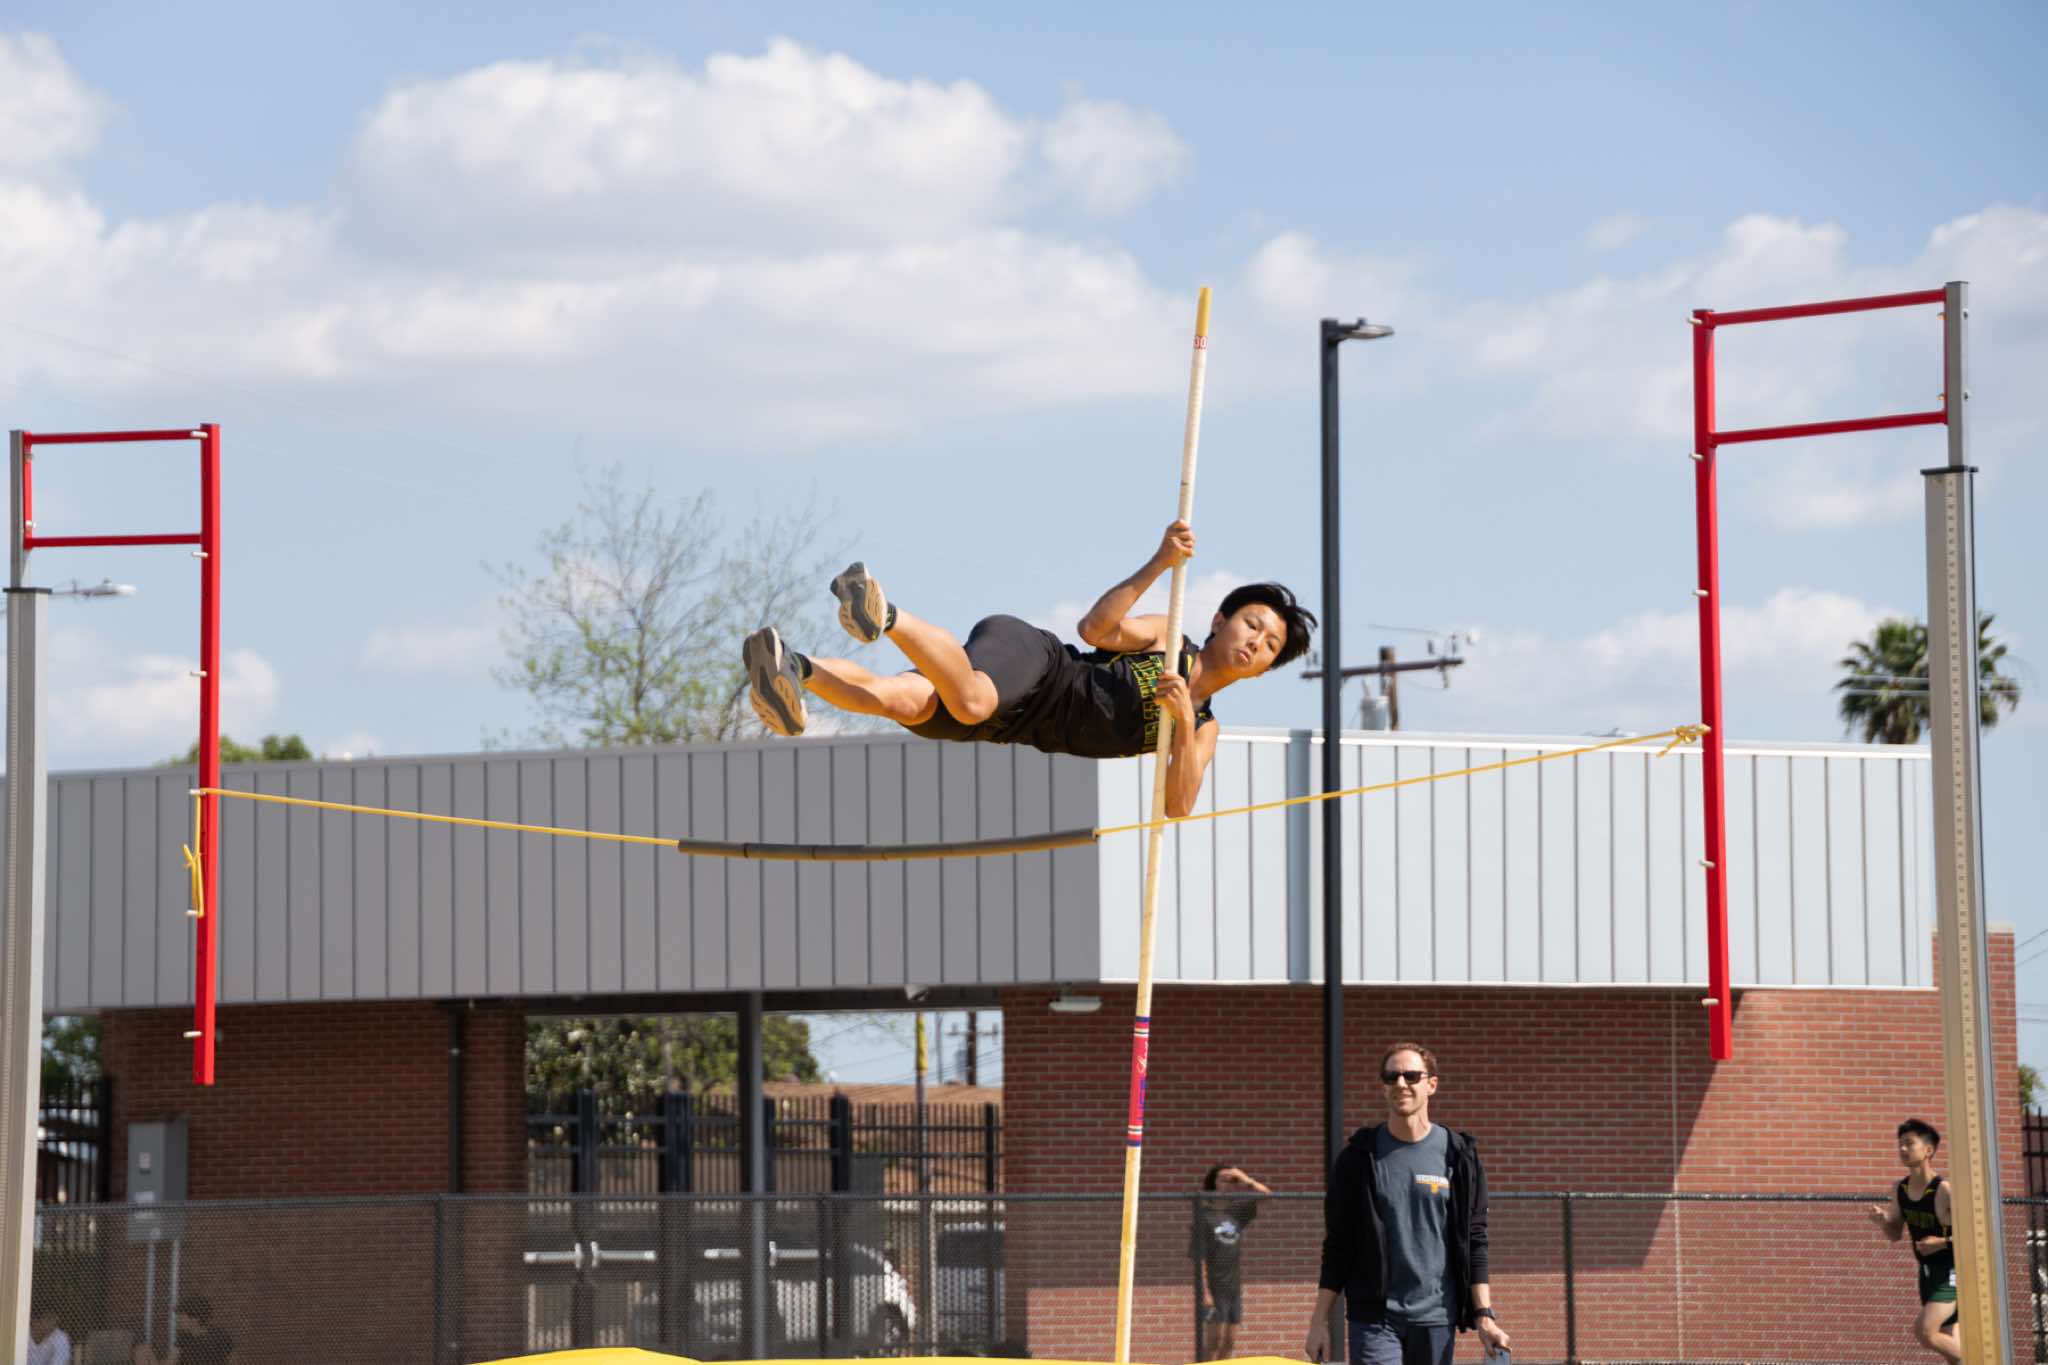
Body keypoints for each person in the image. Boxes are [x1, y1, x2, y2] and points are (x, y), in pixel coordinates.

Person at [742, 521, 1315, 818]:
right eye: (1253, 624)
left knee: (899, 700)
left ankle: (794, 666)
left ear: (1264, 670)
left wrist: (1184, 721)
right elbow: (1095, 630)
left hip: (1012, 725)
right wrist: (1160, 561)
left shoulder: (1204, 727)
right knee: (970, 699)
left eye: (1270, 645)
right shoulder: (1169, 640)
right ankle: (884, 614)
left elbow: (1178, 804)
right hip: (1037, 664)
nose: (1256, 641)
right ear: (1220, 621)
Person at [1304, 1044, 1511, 1365]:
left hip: (1436, 1317)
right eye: (1392, 1077)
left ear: (1432, 1084)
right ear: (1383, 1086)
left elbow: (1475, 1240)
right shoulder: (1358, 1159)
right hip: (1374, 1318)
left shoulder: (1460, 1156)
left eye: (1411, 1076)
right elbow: (1338, 1246)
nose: (1401, 1084)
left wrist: (1484, 1315)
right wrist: (1319, 1321)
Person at [1866, 1117, 1962, 1362]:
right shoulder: (1900, 1189)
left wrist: (1941, 1243)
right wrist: (1883, 1222)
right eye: (1900, 1144)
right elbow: (1895, 1235)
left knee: (1925, 1331)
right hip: (1927, 1273)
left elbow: (1973, 1233)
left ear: (1928, 1150)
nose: (1902, 1149)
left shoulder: (1943, 1189)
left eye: (1909, 1143)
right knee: (1947, 1338)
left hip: (1952, 1271)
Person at [1190, 1163, 1273, 1360]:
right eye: (1223, 1180)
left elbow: (1268, 1197)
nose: (1227, 1184)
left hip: (1233, 1287)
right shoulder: (1204, 1216)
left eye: (1231, 1181)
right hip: (1214, 1287)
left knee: (1229, 1342)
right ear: (1213, 1183)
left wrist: (1245, 1179)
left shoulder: (1236, 1212)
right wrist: (1205, 1292)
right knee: (1213, 1341)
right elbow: (1199, 1258)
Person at [131, 1295, 238, 1365]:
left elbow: (235, 1361)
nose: (178, 1319)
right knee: (142, 1350)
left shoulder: (219, 1335)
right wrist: (149, 1357)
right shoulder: (184, 1338)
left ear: (195, 1318)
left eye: (182, 1316)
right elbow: (170, 1361)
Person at [27, 1298, 71, 1365]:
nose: (53, 1323)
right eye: (49, 1319)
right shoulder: (22, 1335)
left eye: (54, 1319)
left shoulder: (60, 1338)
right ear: (34, 1321)